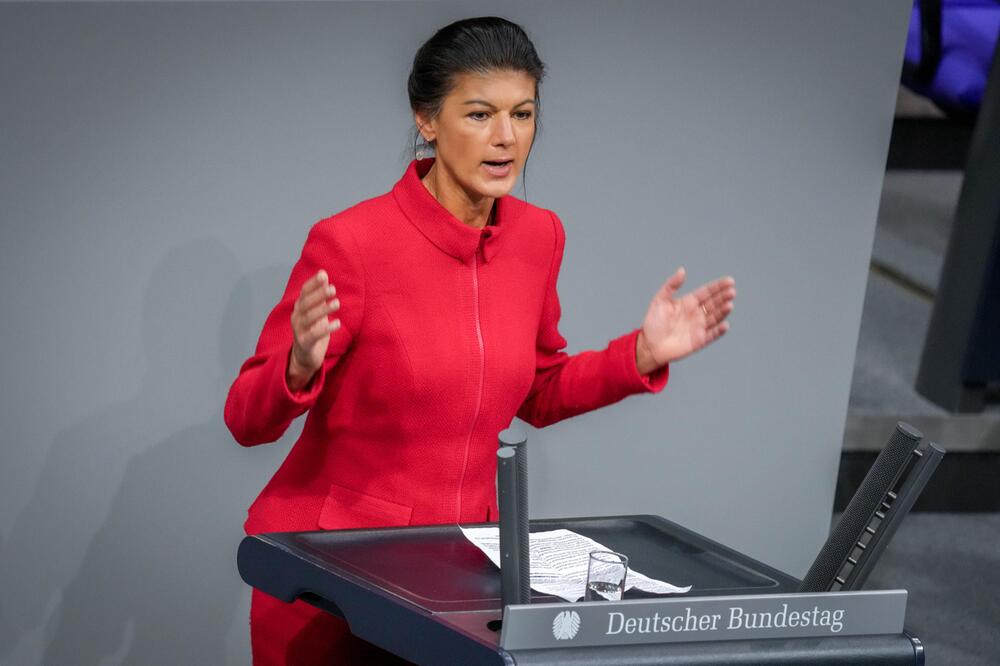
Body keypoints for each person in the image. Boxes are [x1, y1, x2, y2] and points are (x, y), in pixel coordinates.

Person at [224, 16, 736, 665]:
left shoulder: (539, 236)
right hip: (336, 581)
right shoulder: (352, 244)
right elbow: (245, 418)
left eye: (522, 114)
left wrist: (640, 354)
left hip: (461, 580)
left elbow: (541, 390)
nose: (506, 139)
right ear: (427, 120)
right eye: (479, 114)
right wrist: (297, 366)